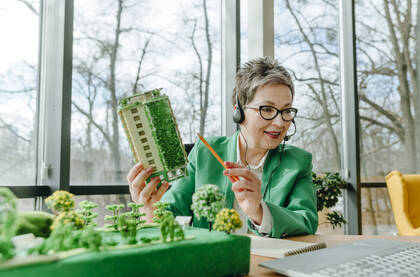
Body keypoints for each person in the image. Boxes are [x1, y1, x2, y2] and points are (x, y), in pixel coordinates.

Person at [127, 57, 317, 238]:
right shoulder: (205, 152)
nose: (279, 122)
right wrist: (151, 210)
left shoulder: (298, 162)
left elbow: (306, 221)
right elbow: (173, 209)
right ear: (239, 111)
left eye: (286, 110)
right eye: (267, 109)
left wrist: (259, 211)